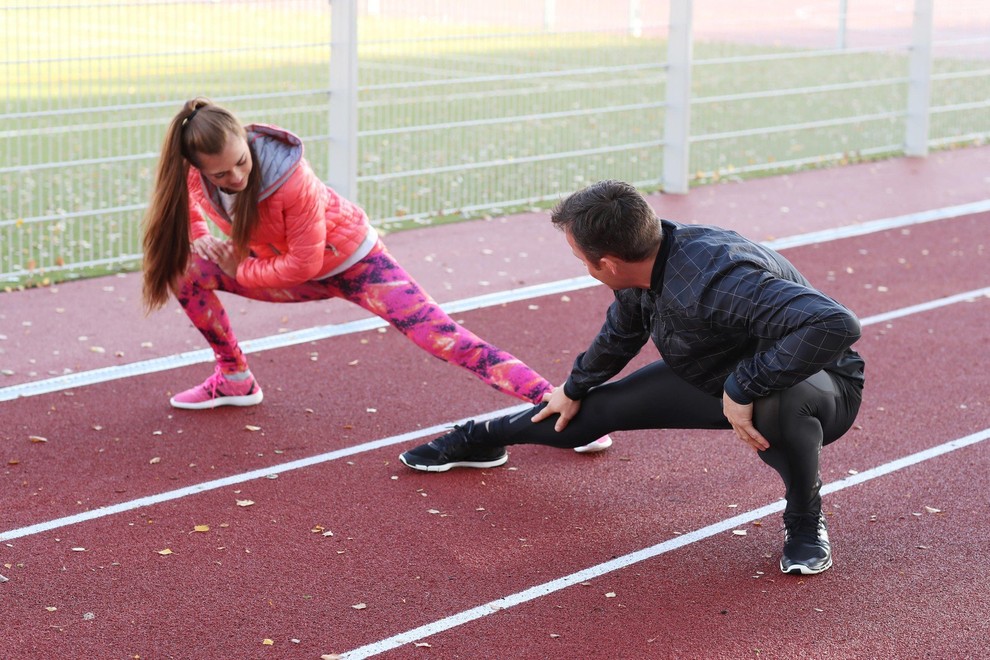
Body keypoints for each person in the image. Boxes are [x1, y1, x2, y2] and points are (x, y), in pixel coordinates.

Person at [400, 180, 865, 575]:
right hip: (718, 375)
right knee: (588, 414)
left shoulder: (718, 278)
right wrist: (574, 386)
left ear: (609, 263)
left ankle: (805, 519)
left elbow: (835, 323)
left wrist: (746, 386)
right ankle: (481, 439)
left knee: (777, 406)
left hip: (820, 385)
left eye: (581, 258)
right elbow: (621, 335)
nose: (583, 268)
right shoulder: (646, 264)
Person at [140, 97, 611, 453]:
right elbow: (189, 204)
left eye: (241, 162)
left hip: (355, 264)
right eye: (221, 174)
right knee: (185, 274)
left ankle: (558, 410)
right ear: (199, 166)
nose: (236, 177)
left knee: (445, 338)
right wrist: (202, 238)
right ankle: (235, 378)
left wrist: (238, 267)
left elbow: (303, 263)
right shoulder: (194, 172)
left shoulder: (291, 180)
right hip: (285, 267)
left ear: (247, 139)